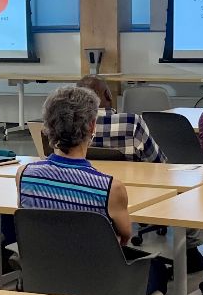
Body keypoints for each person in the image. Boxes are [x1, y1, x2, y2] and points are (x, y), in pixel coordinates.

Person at [18, 85, 135, 244]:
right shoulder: (111, 188)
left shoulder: (24, 175)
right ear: (92, 126)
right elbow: (125, 237)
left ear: (48, 126)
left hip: (43, 266)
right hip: (95, 267)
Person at [77, 75, 164, 163]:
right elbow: (159, 162)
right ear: (108, 95)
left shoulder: (69, 125)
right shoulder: (132, 122)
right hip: (128, 176)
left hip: (86, 176)